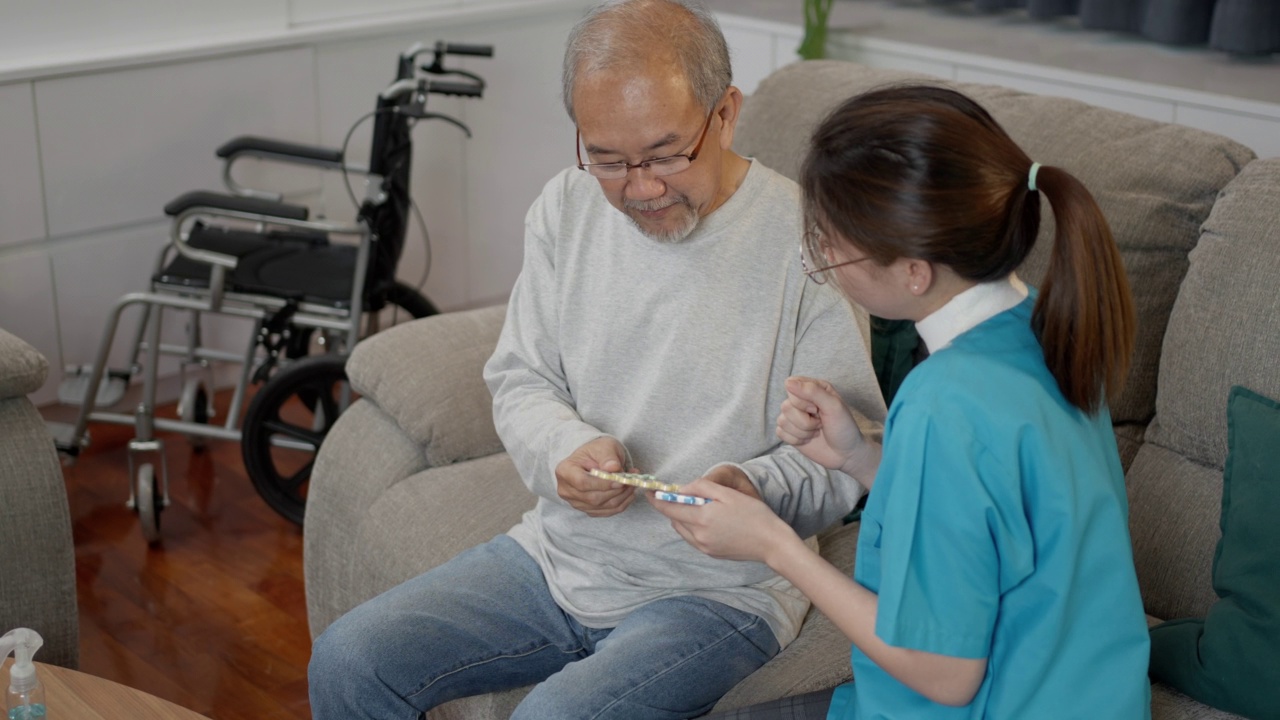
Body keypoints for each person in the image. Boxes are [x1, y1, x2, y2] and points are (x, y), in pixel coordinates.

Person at [306, 1, 887, 718]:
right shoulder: (565, 209)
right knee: (349, 660)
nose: (639, 188)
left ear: (727, 113)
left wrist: (750, 485)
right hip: (556, 559)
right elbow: (521, 379)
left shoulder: (805, 240)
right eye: (608, 159)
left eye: (667, 154)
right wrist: (563, 451)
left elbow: (850, 455)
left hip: (718, 595)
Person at [652, 84, 1153, 719]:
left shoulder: (942, 402)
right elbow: (992, 519)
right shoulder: (1046, 328)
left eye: (832, 244)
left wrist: (770, 543)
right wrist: (861, 460)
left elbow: (945, 675)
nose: (823, 260)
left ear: (915, 271)